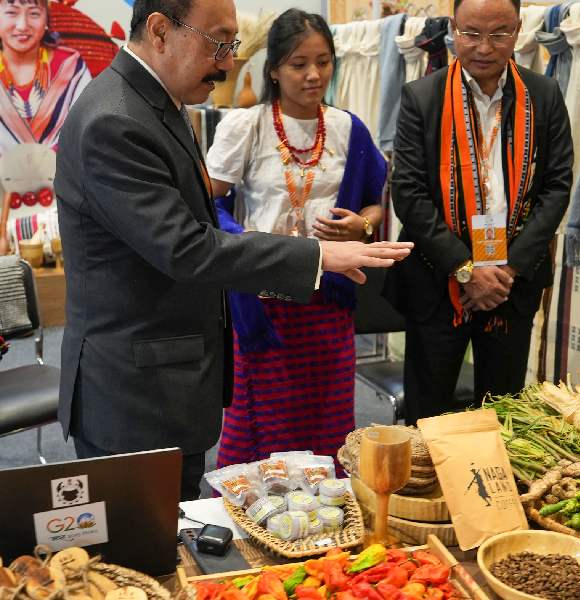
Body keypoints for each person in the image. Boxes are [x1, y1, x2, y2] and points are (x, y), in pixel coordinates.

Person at [54, 0, 411, 500]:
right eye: (218, 42)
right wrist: (316, 255)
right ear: (160, 31)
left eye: (232, 45)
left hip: (169, 377)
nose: (226, 61)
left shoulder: (155, 103)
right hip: (136, 394)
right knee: (143, 549)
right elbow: (186, 246)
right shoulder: (115, 119)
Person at [206, 9, 386, 468]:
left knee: (328, 421)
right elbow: (207, 202)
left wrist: (361, 227)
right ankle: (248, 522)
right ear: (273, 69)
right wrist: (241, 241)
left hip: (328, 297)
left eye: (323, 62)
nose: (313, 75)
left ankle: (324, 523)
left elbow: (374, 204)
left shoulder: (348, 128)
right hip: (264, 297)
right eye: (298, 64)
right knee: (258, 424)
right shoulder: (246, 127)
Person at [384, 0, 573, 422]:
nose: (484, 48)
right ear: (453, 28)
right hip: (439, 280)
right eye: (471, 33)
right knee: (427, 415)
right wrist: (467, 269)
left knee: (503, 414)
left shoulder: (543, 95)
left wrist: (508, 270)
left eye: (499, 33)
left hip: (511, 283)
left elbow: (558, 185)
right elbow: (409, 194)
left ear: (519, 29)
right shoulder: (422, 97)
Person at [0, 0, 90, 154]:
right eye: (12, 13)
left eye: (34, 13)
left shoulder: (71, 67)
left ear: (47, 18)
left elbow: (87, 130)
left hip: (64, 174)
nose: (22, 25)